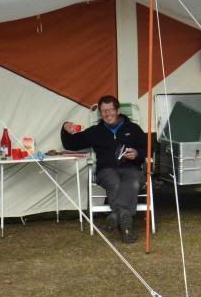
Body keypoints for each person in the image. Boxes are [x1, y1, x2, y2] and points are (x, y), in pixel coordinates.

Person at [61, 95, 148, 243]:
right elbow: (71, 144)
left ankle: (117, 215)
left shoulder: (133, 129)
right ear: (100, 113)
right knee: (114, 183)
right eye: (104, 111)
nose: (107, 114)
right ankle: (125, 221)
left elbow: (148, 148)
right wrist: (65, 127)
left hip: (131, 168)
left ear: (118, 110)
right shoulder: (95, 131)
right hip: (107, 170)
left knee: (133, 182)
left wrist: (138, 153)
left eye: (110, 110)